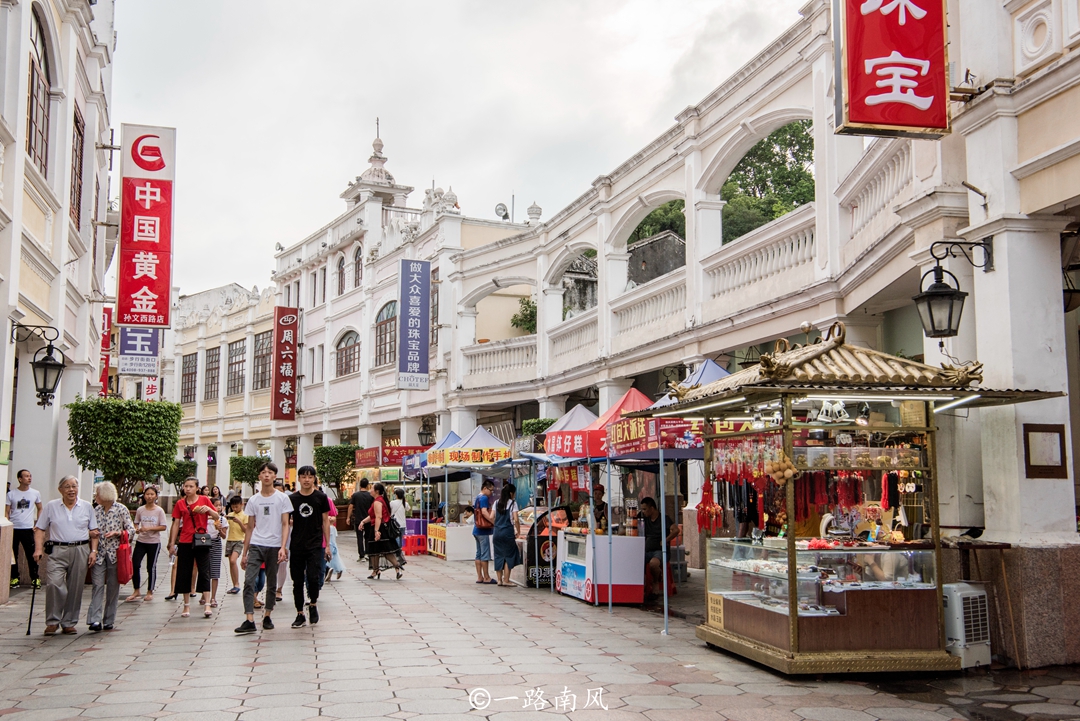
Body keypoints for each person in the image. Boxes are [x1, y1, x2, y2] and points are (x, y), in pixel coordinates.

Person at [33, 476, 98, 635]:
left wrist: (93, 551)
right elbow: (40, 529)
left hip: (80, 548)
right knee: (54, 584)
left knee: (75, 587)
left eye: (74, 486)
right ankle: (53, 621)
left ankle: (69, 622)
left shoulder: (87, 506)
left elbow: (95, 532)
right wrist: (38, 549)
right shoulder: (51, 506)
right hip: (57, 549)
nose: (71, 490)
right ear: (60, 490)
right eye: (67, 487)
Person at [235, 462, 291, 634]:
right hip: (257, 544)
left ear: (275, 476)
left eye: (270, 472)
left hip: (274, 545)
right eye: (263, 472)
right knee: (249, 581)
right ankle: (249, 618)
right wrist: (244, 553)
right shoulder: (253, 500)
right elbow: (250, 527)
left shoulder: (282, 498)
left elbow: (285, 524)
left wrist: (283, 546)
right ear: (259, 476)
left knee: (272, 582)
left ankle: (267, 615)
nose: (266, 475)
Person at [87, 481, 135, 632]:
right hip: (100, 552)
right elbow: (92, 529)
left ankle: (109, 619)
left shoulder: (121, 509)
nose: (96, 497)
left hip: (116, 553)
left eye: (98, 494)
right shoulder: (97, 510)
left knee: (113, 587)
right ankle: (94, 619)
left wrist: (117, 533)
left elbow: (131, 530)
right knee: (97, 585)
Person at [168, 477, 219, 619]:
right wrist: (172, 543)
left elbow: (216, 516)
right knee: (185, 571)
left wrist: (208, 509)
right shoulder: (180, 503)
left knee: (204, 570)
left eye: (191, 486)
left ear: (197, 488)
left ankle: (207, 603)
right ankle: (186, 605)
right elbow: (176, 524)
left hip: (201, 539)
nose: (188, 489)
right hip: (185, 540)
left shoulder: (204, 500)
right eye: (186, 486)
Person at [288, 466, 331, 628]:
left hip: (315, 544)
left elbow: (325, 521)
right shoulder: (292, 499)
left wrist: (327, 545)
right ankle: (300, 613)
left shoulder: (321, 497)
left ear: (314, 479)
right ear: (298, 479)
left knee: (314, 577)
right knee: (297, 580)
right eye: (303, 477)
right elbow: (285, 522)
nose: (306, 480)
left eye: (310, 477)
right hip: (297, 544)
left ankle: (313, 604)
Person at [126, 486, 168, 603]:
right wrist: (137, 529)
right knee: (135, 564)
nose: (149, 496)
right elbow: (136, 523)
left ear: (156, 496)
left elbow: (163, 527)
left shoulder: (159, 511)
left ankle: (150, 591)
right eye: (147, 494)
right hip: (141, 541)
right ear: (144, 496)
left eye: (152, 494)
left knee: (151, 567)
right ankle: (136, 590)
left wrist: (149, 528)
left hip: (154, 542)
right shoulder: (140, 510)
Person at [358, 482, 403, 580]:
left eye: (372, 489)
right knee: (381, 550)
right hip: (381, 527)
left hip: (379, 528)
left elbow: (378, 517)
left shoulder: (377, 502)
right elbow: (373, 516)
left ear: (377, 491)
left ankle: (378, 570)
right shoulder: (381, 500)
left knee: (377, 551)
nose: (370, 490)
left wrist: (376, 531)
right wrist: (363, 521)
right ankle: (388, 568)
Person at [6, 469, 42, 589]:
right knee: (13, 554)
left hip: (28, 528)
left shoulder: (35, 493)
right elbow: (7, 511)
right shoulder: (11, 494)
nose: (29, 478)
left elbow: (40, 508)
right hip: (14, 528)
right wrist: (8, 523)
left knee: (31, 554)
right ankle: (14, 577)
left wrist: (38, 523)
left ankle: (35, 578)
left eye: (30, 476)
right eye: (26, 476)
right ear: (20, 479)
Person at [640, 497, 678, 602]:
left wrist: (666, 540)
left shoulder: (664, 519)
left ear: (652, 508)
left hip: (660, 550)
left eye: (645, 509)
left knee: (653, 563)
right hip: (646, 550)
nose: (643, 512)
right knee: (636, 561)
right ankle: (642, 585)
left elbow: (676, 530)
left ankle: (655, 583)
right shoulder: (644, 519)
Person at [492, 482, 521, 587]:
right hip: (507, 532)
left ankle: (499, 580)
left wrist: (497, 525)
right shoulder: (513, 503)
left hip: (497, 532)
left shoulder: (496, 503)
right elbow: (516, 519)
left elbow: (491, 517)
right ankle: (506, 580)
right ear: (511, 493)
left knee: (498, 555)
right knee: (509, 555)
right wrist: (518, 531)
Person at [204, 494, 228, 608]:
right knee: (204, 571)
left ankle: (213, 597)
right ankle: (205, 595)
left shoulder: (222, 519)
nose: (218, 508)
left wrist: (220, 529)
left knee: (215, 572)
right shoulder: (205, 518)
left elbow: (223, 536)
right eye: (216, 505)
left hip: (216, 544)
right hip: (204, 544)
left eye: (220, 505)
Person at [472, 479, 495, 584]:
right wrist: (493, 521)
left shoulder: (478, 497)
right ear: (485, 488)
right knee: (485, 554)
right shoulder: (484, 498)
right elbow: (484, 512)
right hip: (483, 530)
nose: (491, 493)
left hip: (476, 529)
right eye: (490, 490)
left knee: (478, 554)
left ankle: (479, 577)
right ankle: (486, 577)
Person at [224, 495, 247, 594]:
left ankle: (237, 583)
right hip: (230, 540)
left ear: (241, 505)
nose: (235, 508)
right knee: (231, 562)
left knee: (233, 560)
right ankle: (235, 584)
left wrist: (239, 522)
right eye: (233, 507)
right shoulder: (230, 514)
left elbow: (246, 530)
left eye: (237, 506)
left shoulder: (245, 515)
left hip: (239, 540)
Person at [347, 479, 374, 562]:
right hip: (368, 519)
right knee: (368, 537)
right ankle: (367, 553)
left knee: (359, 537)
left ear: (360, 485)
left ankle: (361, 555)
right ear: (367, 485)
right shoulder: (371, 495)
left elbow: (351, 506)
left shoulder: (355, 495)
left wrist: (348, 517)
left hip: (358, 519)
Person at [389, 487, 409, 567]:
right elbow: (408, 509)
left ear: (396, 495)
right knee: (400, 538)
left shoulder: (392, 503)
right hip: (403, 524)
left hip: (395, 524)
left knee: (396, 539)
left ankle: (398, 554)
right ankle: (399, 552)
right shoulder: (405, 503)